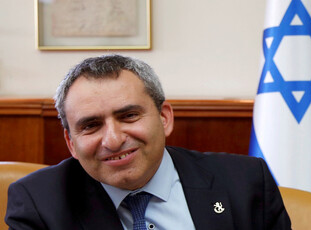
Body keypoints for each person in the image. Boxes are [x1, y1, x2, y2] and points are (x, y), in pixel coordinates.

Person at [5, 54, 291, 230]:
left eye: (129, 116)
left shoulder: (245, 182)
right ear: (71, 142)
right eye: (91, 125)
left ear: (164, 118)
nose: (114, 140)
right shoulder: (38, 202)